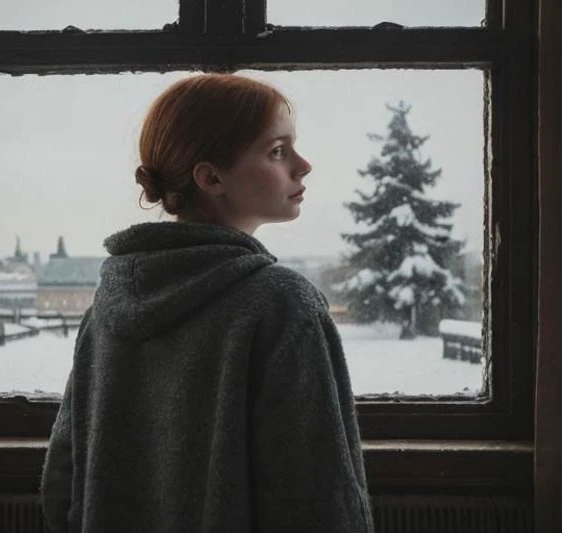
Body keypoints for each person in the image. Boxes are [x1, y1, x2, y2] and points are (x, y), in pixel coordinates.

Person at [41, 73, 373, 532]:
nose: (304, 165)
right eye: (278, 151)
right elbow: (319, 496)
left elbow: (64, 481)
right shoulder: (283, 303)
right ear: (211, 177)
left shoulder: (107, 307)